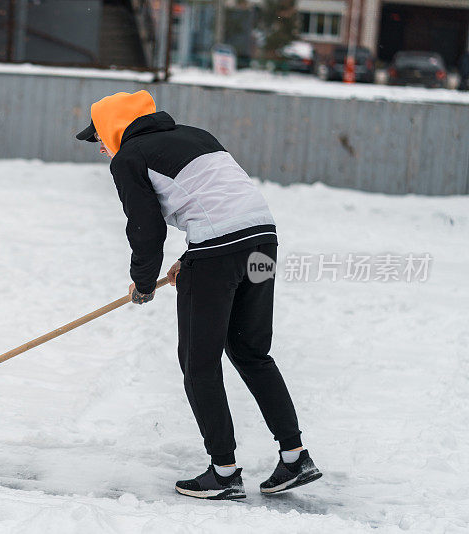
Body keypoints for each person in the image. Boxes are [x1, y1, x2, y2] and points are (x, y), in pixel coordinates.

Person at [75, 90, 321, 500]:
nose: (100, 146)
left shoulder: (129, 157)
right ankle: (295, 458)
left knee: (199, 361)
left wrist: (144, 280)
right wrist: (189, 260)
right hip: (263, 242)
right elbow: (216, 201)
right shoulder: (197, 135)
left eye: (99, 135)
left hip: (218, 252)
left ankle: (224, 472)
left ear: (116, 127)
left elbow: (146, 228)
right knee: (252, 353)